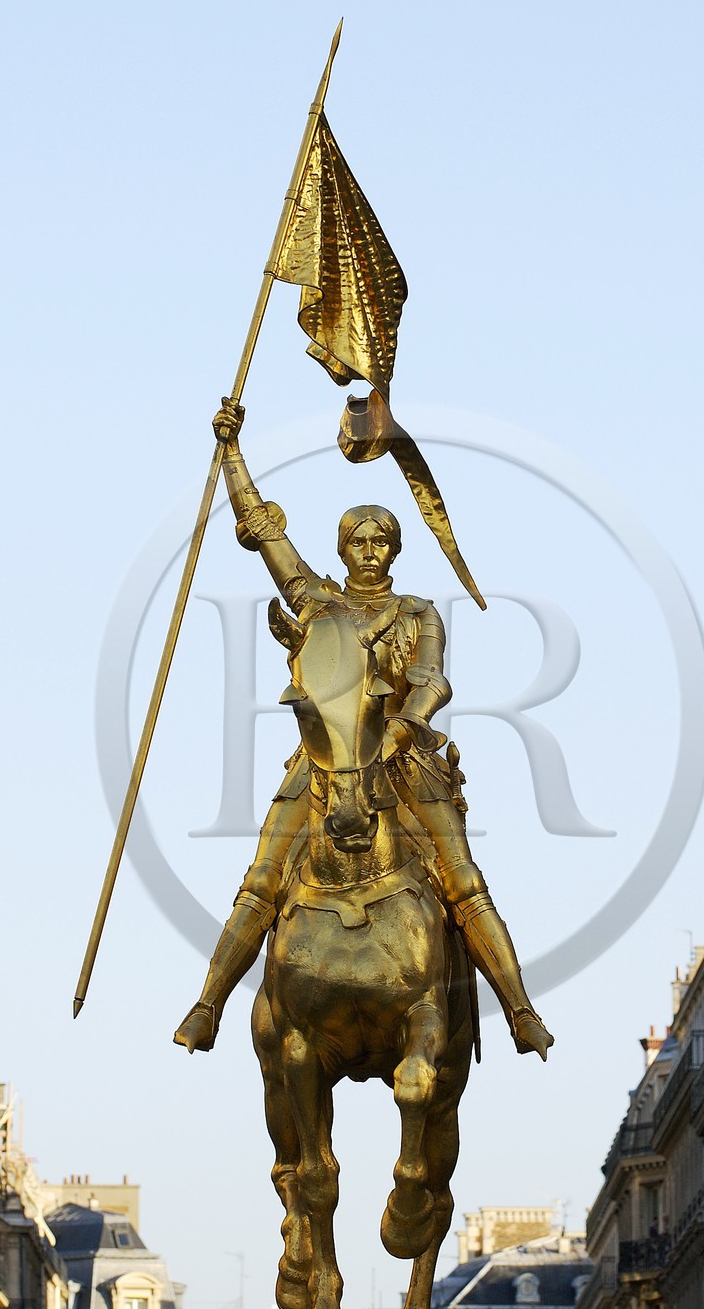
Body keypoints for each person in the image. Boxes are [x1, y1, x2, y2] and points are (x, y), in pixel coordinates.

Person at [173, 399, 553, 1059]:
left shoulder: (417, 612)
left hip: (403, 757)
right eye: (358, 541)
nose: (370, 551)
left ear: (396, 549)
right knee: (261, 879)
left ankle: (519, 1009)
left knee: (463, 880)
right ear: (342, 549)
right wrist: (231, 452)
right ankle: (208, 1004)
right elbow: (263, 532)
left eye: (382, 541)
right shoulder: (317, 604)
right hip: (324, 760)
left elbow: (433, 679)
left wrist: (408, 726)